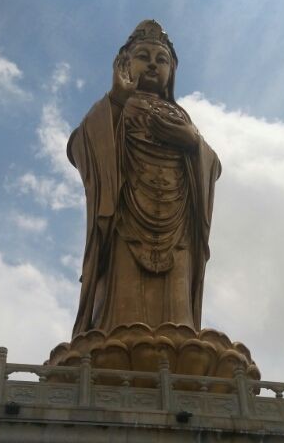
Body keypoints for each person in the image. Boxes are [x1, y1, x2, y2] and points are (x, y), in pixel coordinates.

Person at [67, 20, 221, 337]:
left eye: (161, 60)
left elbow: (213, 166)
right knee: (121, 321)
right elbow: (80, 145)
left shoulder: (181, 117)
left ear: (171, 71)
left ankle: (180, 343)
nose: (152, 64)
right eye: (143, 56)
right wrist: (116, 99)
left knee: (178, 322)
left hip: (178, 228)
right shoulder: (118, 106)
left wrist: (193, 143)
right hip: (127, 218)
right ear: (125, 64)